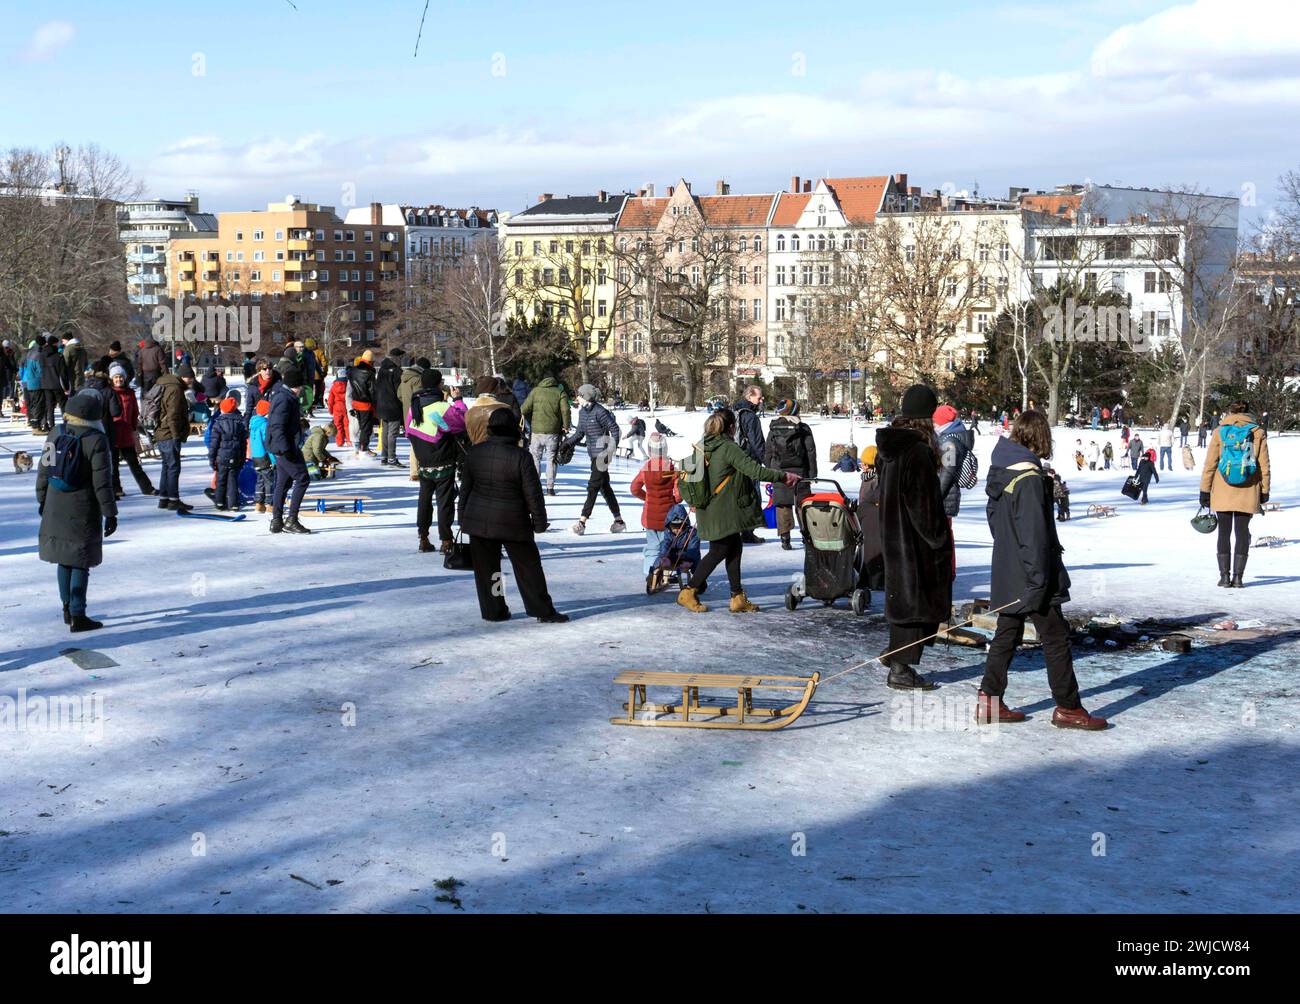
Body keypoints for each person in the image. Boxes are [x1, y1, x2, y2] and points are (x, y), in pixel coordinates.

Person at [977, 411, 1107, 730]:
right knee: (1056, 637)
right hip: (1033, 573)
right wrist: (1037, 581)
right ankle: (1068, 707)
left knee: (1007, 632)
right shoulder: (1029, 477)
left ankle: (989, 699)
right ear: (1040, 437)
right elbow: (1034, 534)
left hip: (1009, 566)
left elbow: (996, 518)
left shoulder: (1002, 469)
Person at [675, 407, 797, 614]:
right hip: (722, 511)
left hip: (710, 508)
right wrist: (783, 476)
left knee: (734, 548)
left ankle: (737, 597)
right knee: (719, 551)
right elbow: (754, 470)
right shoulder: (728, 448)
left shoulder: (703, 446)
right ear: (732, 428)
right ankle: (689, 591)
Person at [874, 385, 953, 691]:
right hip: (915, 541)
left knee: (903, 599)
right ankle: (900, 666)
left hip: (895, 535)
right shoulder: (917, 451)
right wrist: (938, 539)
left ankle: (896, 654)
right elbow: (923, 505)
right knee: (917, 603)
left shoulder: (892, 449)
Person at [459, 406, 568, 624]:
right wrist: (539, 522)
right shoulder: (521, 457)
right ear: (512, 430)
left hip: (480, 522)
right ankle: (542, 610)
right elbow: (533, 494)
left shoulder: (475, 452)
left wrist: (463, 518)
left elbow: (465, 489)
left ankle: (494, 610)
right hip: (513, 523)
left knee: (489, 571)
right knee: (529, 569)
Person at [36, 391, 118, 632]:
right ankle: (78, 615)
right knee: (80, 561)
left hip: (54, 503)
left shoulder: (56, 432)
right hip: (82, 507)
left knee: (64, 558)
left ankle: (66, 609)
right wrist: (110, 512)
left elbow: (43, 470)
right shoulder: (96, 440)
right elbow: (102, 482)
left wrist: (42, 499)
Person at [1199, 400, 1271, 588]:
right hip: (1248, 488)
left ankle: (1224, 577)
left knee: (1223, 533)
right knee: (1241, 533)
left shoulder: (1220, 432)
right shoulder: (1258, 432)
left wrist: (1204, 490)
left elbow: (1210, 464)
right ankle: (1238, 578)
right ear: (1248, 412)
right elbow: (1264, 466)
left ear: (1230, 412)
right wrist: (1264, 491)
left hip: (1223, 489)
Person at [408, 372, 464, 553]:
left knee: (424, 500)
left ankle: (423, 537)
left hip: (423, 462)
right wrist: (458, 400)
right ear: (439, 385)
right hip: (443, 461)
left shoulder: (414, 406)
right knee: (444, 502)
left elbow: (410, 431)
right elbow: (461, 423)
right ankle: (446, 540)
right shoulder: (440, 407)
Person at [564, 384, 624, 535]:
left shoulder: (600, 412)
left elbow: (615, 429)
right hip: (593, 455)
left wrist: (611, 449)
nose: (576, 397)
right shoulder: (583, 412)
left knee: (593, 487)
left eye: (578, 394)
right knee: (605, 488)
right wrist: (566, 444)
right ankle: (619, 521)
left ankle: (582, 522)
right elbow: (579, 434)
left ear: (585, 397)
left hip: (603, 455)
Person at [763, 399, 817, 550]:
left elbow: (767, 451)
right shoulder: (803, 428)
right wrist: (812, 473)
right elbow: (810, 451)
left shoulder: (774, 428)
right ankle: (807, 536)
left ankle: (785, 537)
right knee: (803, 505)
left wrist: (770, 469)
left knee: (782, 505)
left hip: (779, 472)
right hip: (800, 473)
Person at [630, 432, 681, 580]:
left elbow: (634, 488)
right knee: (669, 546)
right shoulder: (671, 469)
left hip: (650, 515)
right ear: (664, 449)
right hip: (668, 516)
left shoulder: (646, 469)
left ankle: (649, 572)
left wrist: (647, 498)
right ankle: (666, 572)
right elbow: (678, 495)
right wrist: (672, 500)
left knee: (652, 546)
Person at [266, 368, 311, 533]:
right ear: (295, 386)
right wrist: (286, 450)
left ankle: (277, 521)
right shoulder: (285, 399)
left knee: (283, 483)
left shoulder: (283, 396)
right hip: (285, 447)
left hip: (283, 447)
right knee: (303, 478)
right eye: (300, 387)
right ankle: (291, 520)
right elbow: (277, 427)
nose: (301, 390)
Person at [150, 364, 195, 511]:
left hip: (161, 432)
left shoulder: (165, 384)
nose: (191, 381)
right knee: (173, 467)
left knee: (166, 466)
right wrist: (176, 436)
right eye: (190, 377)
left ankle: (164, 498)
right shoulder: (175, 389)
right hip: (169, 434)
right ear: (183, 376)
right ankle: (173, 500)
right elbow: (173, 415)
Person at [521, 374, 570, 495]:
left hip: (537, 432)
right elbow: (565, 410)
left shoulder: (535, 391)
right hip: (553, 432)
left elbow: (524, 409)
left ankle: (536, 486)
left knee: (535, 458)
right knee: (551, 459)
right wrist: (566, 425)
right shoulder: (560, 392)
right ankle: (550, 488)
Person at [732, 384, 767, 544]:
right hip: (749, 461)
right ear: (749, 397)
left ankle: (735, 531)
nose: (761, 400)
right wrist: (766, 462)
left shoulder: (734, 411)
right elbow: (757, 442)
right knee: (753, 496)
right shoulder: (750, 416)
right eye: (759, 397)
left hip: (734, 460)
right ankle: (748, 532)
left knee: (738, 496)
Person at [208, 393, 247, 511]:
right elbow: (243, 443)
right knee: (233, 480)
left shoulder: (218, 423)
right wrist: (242, 457)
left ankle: (220, 502)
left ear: (222, 410)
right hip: (235, 456)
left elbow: (214, 444)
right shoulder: (240, 423)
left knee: (221, 479)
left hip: (222, 457)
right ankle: (233, 504)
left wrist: (212, 458)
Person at [374, 352, 405, 466]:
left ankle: (384, 456)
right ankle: (391, 458)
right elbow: (399, 390)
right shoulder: (397, 371)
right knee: (392, 433)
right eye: (401, 357)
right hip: (393, 406)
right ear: (397, 358)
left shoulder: (382, 370)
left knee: (385, 432)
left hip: (382, 405)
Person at [347, 350, 378, 455]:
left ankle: (361, 448)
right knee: (366, 429)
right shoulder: (370, 373)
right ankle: (363, 450)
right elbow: (373, 390)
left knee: (360, 427)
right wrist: (376, 404)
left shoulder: (352, 371)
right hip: (366, 404)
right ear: (370, 361)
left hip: (355, 402)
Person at [249, 399, 275, 513]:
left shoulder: (253, 422)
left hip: (255, 456)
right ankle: (270, 504)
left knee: (260, 480)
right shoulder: (264, 424)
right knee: (269, 481)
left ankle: (259, 504)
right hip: (265, 456)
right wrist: (274, 460)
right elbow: (267, 443)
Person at [327, 374, 351, 448]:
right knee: (347, 425)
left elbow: (330, 400)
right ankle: (349, 441)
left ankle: (339, 442)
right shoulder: (349, 386)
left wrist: (330, 410)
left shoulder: (334, 386)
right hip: (347, 407)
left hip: (337, 408)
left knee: (338, 426)